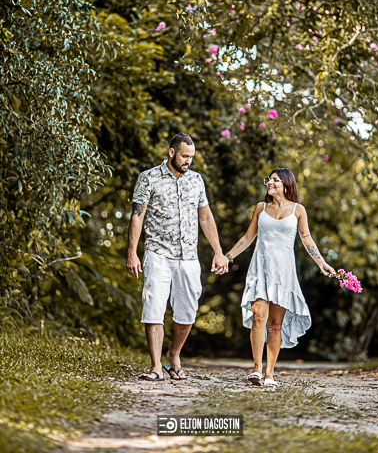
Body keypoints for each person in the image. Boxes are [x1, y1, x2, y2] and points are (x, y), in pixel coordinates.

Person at [126, 133, 228, 381]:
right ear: (172, 152)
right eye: (184, 156)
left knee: (188, 311)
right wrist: (132, 252)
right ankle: (155, 366)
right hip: (157, 253)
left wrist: (218, 251)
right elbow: (137, 216)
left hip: (189, 256)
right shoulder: (149, 177)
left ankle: (174, 355)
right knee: (154, 308)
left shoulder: (196, 180)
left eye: (191, 157)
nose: (188, 161)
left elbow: (205, 217)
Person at [225, 168, 335, 388]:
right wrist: (227, 257)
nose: (270, 182)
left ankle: (270, 374)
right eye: (269, 179)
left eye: (275, 180)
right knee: (259, 316)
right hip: (261, 269)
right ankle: (257, 370)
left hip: (283, 273)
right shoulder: (261, 208)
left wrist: (322, 263)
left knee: (275, 325)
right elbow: (248, 238)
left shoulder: (298, 210)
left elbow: (307, 239)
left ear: (286, 184)